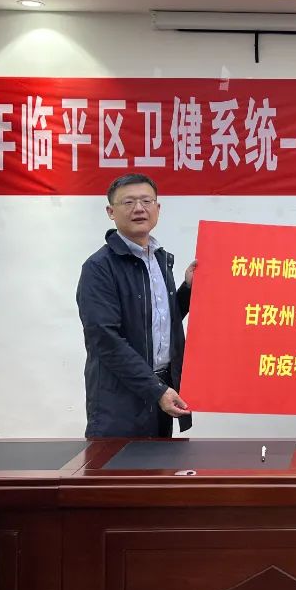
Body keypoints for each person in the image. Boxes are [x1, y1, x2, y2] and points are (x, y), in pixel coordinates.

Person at [77, 173, 197, 438]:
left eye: (146, 201)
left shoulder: (159, 259)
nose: (139, 209)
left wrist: (188, 289)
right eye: (128, 202)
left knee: (161, 463)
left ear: (158, 208)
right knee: (117, 465)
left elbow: (161, 320)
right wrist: (156, 389)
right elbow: (105, 339)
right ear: (111, 212)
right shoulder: (99, 267)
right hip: (120, 400)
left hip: (163, 391)